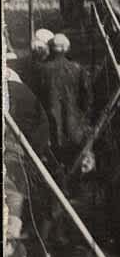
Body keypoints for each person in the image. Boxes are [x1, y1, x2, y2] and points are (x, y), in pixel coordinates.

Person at [35, 33, 90, 164]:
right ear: (67, 49)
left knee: (55, 161)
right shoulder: (77, 69)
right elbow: (87, 98)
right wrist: (82, 115)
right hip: (74, 125)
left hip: (51, 125)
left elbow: (38, 99)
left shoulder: (42, 70)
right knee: (73, 161)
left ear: (51, 48)